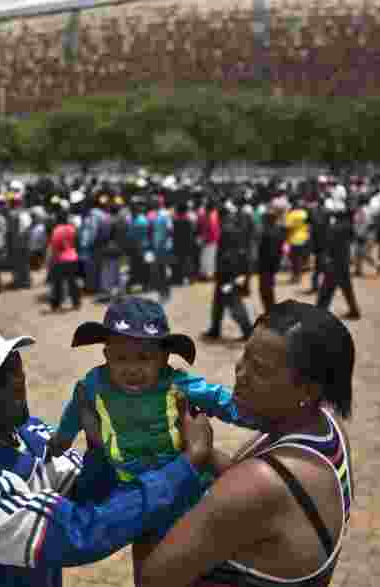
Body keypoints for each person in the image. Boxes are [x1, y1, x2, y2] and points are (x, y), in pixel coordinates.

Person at [0, 323, 217, 587]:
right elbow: (82, 533)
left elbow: (88, 493)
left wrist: (99, 447)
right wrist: (186, 465)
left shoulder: (31, 435)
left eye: (13, 368)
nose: (14, 385)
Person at [138, 300, 356, 587]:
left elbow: (152, 578)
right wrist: (204, 452)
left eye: (260, 370)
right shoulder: (325, 426)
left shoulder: (262, 483)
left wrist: (178, 467)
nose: (240, 375)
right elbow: (256, 501)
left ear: (308, 388)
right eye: (245, 357)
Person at [48, 296, 259, 583]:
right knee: (145, 561)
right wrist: (59, 442)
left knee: (185, 559)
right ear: (106, 354)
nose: (132, 368)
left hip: (181, 483)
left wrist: (255, 417)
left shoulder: (176, 384)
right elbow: (73, 417)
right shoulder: (93, 386)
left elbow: (219, 400)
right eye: (121, 358)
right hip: (127, 485)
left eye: (144, 358)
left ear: (164, 358)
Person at [203, 205, 253, 341]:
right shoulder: (234, 227)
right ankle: (215, 329)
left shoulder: (227, 230)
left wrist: (223, 273)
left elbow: (226, 255)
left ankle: (248, 330)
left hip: (228, 275)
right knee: (219, 303)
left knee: (234, 303)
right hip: (230, 274)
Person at [316, 201, 360, 319]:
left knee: (326, 289)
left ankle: (319, 314)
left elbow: (328, 246)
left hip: (335, 262)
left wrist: (326, 259)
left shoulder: (335, 228)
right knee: (346, 288)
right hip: (343, 261)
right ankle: (354, 311)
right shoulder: (349, 226)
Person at [47, 210, 81, 311]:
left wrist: (52, 260)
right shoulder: (72, 229)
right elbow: (76, 243)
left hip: (60, 259)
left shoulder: (57, 230)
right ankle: (76, 303)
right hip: (73, 257)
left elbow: (54, 246)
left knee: (57, 283)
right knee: (73, 282)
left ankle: (56, 305)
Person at [256, 208, 286, 315]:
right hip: (272, 266)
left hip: (266, 266)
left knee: (265, 291)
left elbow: (266, 252)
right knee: (268, 290)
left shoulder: (267, 233)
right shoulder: (278, 231)